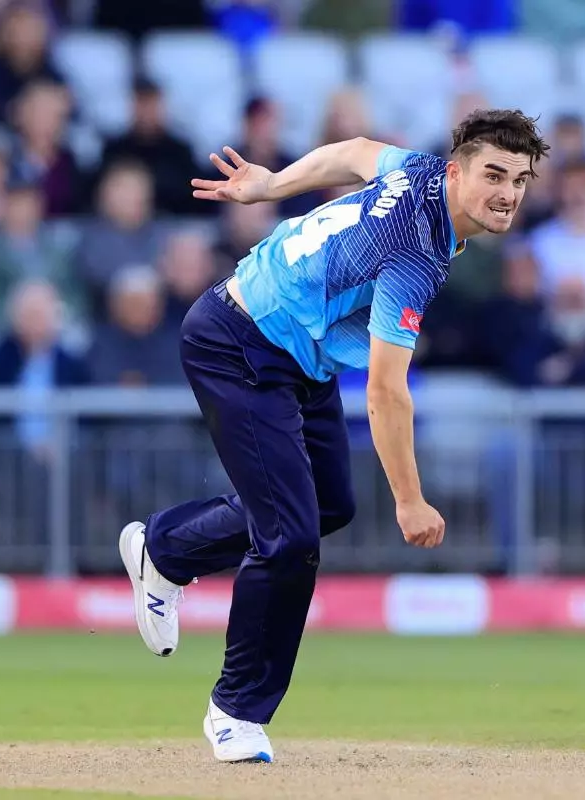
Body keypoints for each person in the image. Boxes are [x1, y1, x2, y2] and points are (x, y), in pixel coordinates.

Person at [117, 109, 549, 763]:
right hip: (238, 342)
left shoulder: (422, 171)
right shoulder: (418, 249)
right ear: (458, 171)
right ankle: (235, 713)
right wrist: (409, 498)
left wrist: (270, 187)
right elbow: (384, 392)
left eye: (519, 179)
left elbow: (351, 152)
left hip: (297, 353)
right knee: (289, 537)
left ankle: (167, 549)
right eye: (495, 175)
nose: (508, 193)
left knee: (328, 508)